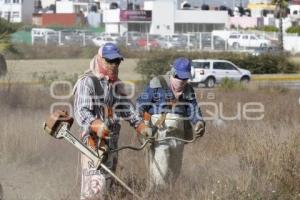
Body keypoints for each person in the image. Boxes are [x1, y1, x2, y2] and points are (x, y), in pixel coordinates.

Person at [73, 43, 152, 200]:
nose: (114, 65)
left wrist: (141, 126)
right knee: (94, 191)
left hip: (111, 145)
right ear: (100, 59)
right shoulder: (87, 81)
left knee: (107, 189)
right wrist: (96, 125)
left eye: (117, 61)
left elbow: (127, 109)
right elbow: (81, 111)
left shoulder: (116, 84)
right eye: (110, 61)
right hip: (93, 144)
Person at [136, 57, 205, 191]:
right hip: (158, 134)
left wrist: (199, 122)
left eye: (186, 78)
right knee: (161, 169)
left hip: (178, 136)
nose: (183, 81)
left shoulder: (189, 90)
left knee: (174, 169)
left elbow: (194, 109)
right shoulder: (157, 83)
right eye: (180, 77)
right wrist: (142, 126)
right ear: (173, 73)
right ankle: (158, 194)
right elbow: (140, 105)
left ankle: (167, 194)